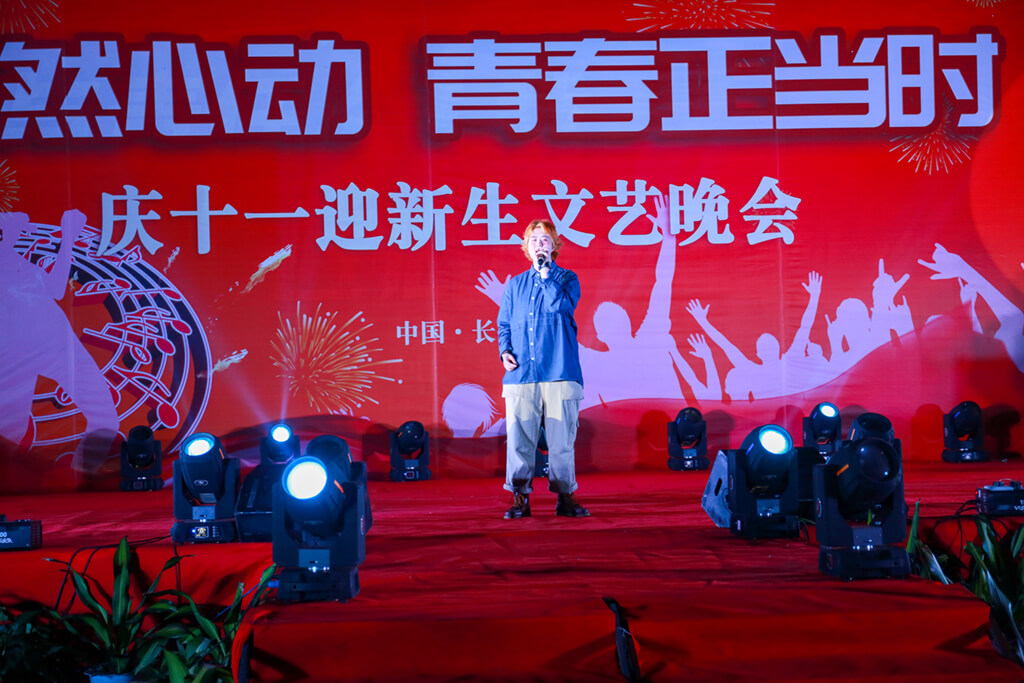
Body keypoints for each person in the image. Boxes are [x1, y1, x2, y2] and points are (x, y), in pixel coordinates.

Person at [497, 219, 589, 519]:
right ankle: (519, 497)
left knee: (561, 440)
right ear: (526, 246)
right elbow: (504, 324)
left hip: (559, 371)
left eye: (545, 239)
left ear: (554, 246)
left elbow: (560, 307)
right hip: (521, 373)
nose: (539, 244)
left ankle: (565, 495)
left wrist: (546, 275)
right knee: (519, 439)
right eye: (534, 239)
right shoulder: (515, 285)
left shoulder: (567, 278)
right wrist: (504, 351)